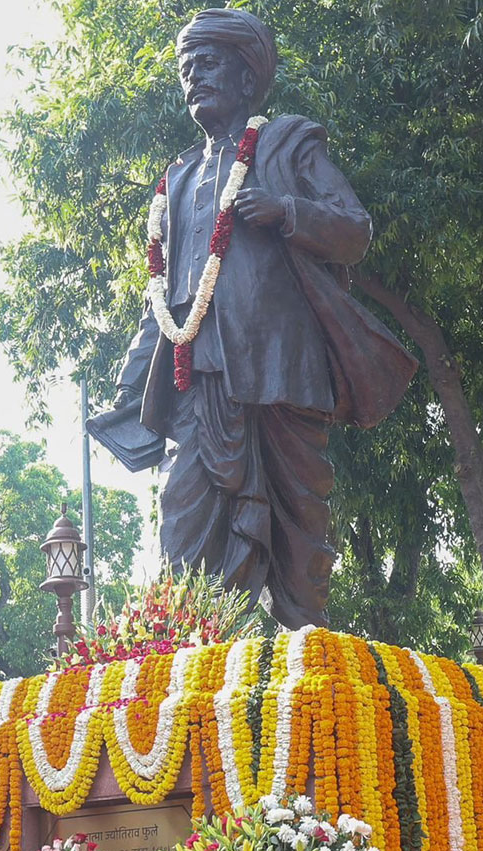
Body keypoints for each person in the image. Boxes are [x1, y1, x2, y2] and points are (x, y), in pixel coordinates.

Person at [88, 7, 417, 629]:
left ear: (247, 77)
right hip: (201, 377)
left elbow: (355, 230)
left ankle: (306, 675)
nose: (194, 78)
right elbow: (162, 296)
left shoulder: (287, 141)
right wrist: (129, 385)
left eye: (208, 64)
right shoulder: (178, 176)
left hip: (282, 369)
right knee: (182, 518)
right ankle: (188, 661)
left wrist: (287, 210)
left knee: (301, 528)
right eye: (186, 69)